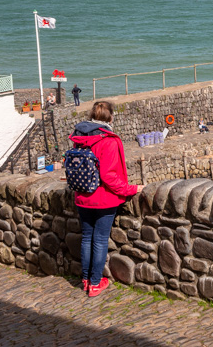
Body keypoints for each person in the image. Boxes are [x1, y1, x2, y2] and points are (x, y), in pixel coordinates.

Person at [69, 101, 141, 297]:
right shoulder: (108, 140)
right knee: (100, 240)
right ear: (109, 118)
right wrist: (131, 189)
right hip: (104, 198)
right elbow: (108, 176)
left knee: (87, 238)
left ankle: (85, 280)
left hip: (82, 195)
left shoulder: (79, 136)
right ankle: (94, 283)